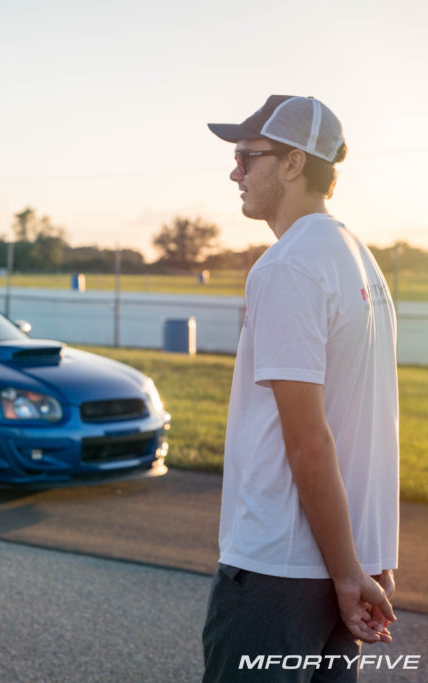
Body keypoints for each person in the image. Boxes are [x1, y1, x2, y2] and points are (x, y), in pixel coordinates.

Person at [201, 95, 400, 681]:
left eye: (246, 156)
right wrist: (369, 562)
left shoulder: (288, 266)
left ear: (292, 164)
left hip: (279, 575)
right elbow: (370, 424)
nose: (234, 171)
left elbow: (310, 439)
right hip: (346, 564)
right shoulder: (359, 259)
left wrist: (347, 575)